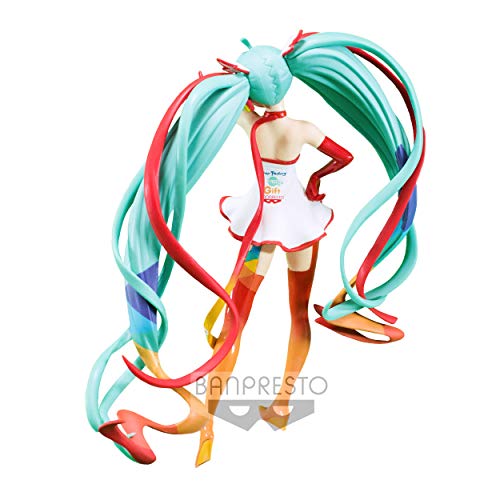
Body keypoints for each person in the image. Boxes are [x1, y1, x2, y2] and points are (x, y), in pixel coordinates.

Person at [86, 31, 424, 467]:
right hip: (300, 224)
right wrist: (316, 180)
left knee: (236, 321)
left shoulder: (253, 126)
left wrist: (222, 87)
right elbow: (343, 157)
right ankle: (282, 404)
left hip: (262, 228)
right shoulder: (303, 130)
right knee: (297, 313)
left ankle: (207, 422)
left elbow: (236, 110)